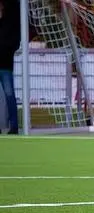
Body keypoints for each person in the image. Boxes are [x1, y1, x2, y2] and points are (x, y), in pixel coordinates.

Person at [0, 0, 20, 134]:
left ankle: (14, 126)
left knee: (9, 94)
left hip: (5, 63)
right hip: (5, 60)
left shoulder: (11, 16)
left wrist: (11, 49)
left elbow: (15, 40)